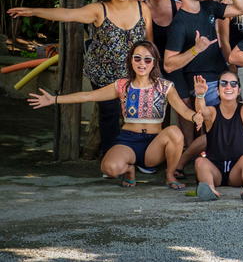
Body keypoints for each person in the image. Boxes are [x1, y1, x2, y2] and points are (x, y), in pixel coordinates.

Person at [9, 0, 152, 155]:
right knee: (109, 114)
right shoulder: (99, 9)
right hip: (103, 73)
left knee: (135, 114)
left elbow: (150, 44)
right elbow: (67, 14)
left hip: (133, 73)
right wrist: (34, 11)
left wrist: (149, 72)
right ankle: (110, 156)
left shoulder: (142, 7)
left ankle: (137, 155)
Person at [27, 41, 202, 189]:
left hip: (154, 145)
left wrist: (196, 115)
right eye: (137, 58)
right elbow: (88, 96)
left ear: (154, 62)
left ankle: (170, 175)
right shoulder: (122, 85)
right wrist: (54, 99)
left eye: (148, 59)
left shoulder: (165, 86)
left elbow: (184, 110)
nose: (142, 63)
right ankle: (129, 170)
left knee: (175, 132)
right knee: (109, 169)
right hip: (128, 140)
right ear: (131, 60)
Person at [163, 0, 243, 144]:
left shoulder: (208, 7)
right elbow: (168, 65)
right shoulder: (179, 24)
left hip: (222, 73)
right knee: (220, 118)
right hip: (202, 81)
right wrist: (196, 49)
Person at [192, 72, 243, 201]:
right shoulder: (212, 111)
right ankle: (210, 189)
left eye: (233, 84)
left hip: (237, 172)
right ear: (217, 90)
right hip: (214, 171)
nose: (228, 87)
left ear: (239, 90)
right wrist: (200, 95)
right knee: (200, 161)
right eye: (224, 83)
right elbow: (202, 111)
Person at [142, 0, 185, 101]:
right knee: (156, 104)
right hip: (149, 64)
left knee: (183, 101)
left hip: (175, 63)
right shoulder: (139, 7)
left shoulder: (179, 7)